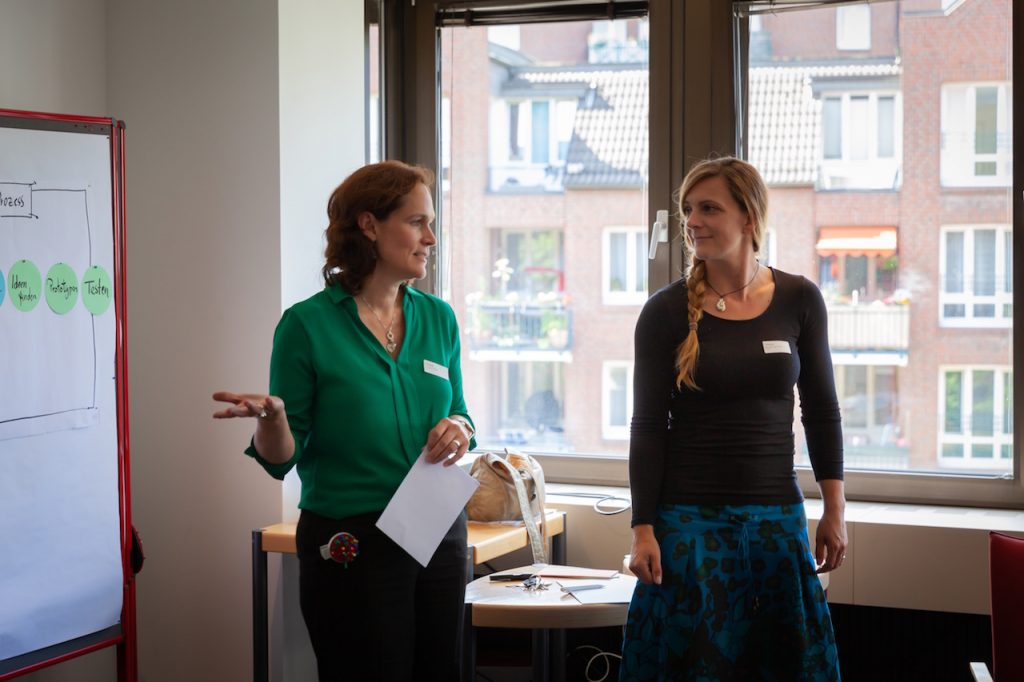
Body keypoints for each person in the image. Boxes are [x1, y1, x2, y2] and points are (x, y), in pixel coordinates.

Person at [212, 160, 475, 681]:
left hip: (436, 526)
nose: (432, 238)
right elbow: (282, 458)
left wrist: (461, 427)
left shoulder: (438, 317)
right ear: (370, 225)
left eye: (433, 223)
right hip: (352, 539)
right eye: (417, 222)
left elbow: (460, 410)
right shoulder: (306, 326)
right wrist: (273, 419)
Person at [620, 157, 846, 681]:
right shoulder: (665, 311)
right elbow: (648, 427)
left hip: (776, 522)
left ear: (749, 217)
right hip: (688, 526)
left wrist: (834, 508)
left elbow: (822, 410)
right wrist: (642, 529)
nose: (693, 221)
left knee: (782, 665)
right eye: (688, 210)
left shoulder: (799, 298)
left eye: (708, 208)